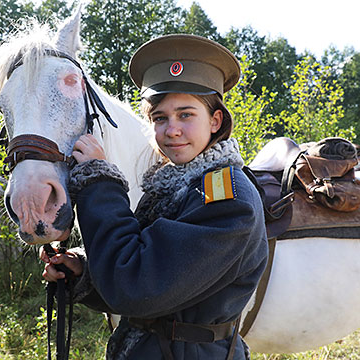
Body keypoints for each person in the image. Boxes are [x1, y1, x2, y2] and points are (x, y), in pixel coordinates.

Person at [41, 34, 268, 360]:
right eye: (160, 117)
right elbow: (154, 274)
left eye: (186, 114)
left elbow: (134, 287)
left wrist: (99, 182)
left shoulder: (226, 199)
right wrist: (84, 271)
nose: (172, 129)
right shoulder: (174, 185)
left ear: (215, 121)